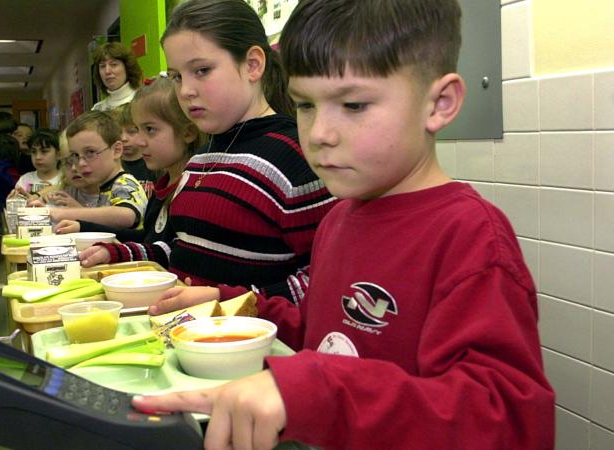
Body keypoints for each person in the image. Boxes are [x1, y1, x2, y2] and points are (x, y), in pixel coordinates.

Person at [132, 1, 556, 449]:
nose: (318, 134)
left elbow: (506, 421)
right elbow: (328, 333)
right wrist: (233, 303)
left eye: (353, 104)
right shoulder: (339, 219)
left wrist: (312, 392)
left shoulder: (470, 236)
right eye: (306, 105)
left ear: (440, 103)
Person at [80, 0, 335, 304]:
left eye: (201, 70)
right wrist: (119, 252)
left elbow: (321, 282)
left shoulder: (296, 156)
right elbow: (183, 251)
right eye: (176, 76)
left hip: (244, 346)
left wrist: (223, 300)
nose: (185, 90)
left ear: (253, 64)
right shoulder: (200, 159)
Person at [55, 76, 206, 251]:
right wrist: (84, 227)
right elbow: (148, 240)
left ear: (187, 133)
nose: (140, 141)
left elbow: (166, 254)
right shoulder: (162, 189)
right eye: (138, 129)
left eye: (149, 129)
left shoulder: (192, 194)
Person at [49, 110, 148, 229]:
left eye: (90, 152)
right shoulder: (104, 186)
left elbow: (126, 216)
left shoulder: (125, 183)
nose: (80, 163)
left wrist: (62, 213)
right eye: (75, 155)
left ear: (116, 150)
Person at [112, 104, 158, 198]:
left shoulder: (156, 165)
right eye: (118, 132)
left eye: (131, 131)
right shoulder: (110, 166)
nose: (123, 138)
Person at [91, 41, 143, 112]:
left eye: (114, 64)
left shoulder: (143, 102)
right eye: (102, 66)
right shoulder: (98, 109)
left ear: (127, 67)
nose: (107, 71)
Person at [9, 129, 62, 198]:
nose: (38, 157)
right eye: (33, 152)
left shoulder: (65, 180)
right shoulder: (25, 179)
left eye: (44, 151)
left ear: (59, 154)